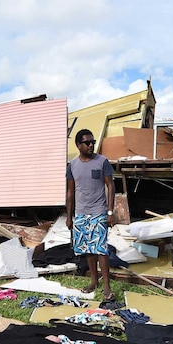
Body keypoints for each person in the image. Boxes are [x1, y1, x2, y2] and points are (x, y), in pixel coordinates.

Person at [66, 129, 115, 301]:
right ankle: (94, 281)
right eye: (87, 143)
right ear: (78, 145)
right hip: (81, 214)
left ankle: (107, 287)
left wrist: (110, 212)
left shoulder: (102, 162)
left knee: (101, 249)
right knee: (88, 250)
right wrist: (69, 216)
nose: (91, 145)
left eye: (92, 142)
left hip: (98, 212)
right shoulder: (72, 165)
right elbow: (70, 193)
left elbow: (111, 186)